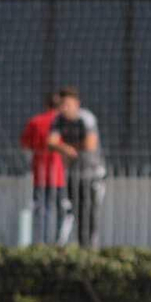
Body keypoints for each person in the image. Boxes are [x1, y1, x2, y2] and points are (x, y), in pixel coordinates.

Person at [49, 88, 105, 248]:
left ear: (76, 104)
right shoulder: (58, 119)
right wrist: (66, 149)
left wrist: (66, 147)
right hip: (73, 173)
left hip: (93, 173)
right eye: (61, 105)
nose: (64, 108)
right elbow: (51, 142)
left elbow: (90, 145)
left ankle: (91, 248)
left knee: (90, 211)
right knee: (77, 212)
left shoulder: (85, 118)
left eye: (67, 104)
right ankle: (83, 246)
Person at [20, 92, 67, 245]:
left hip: (40, 174)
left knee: (42, 210)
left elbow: (25, 145)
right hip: (59, 174)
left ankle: (42, 241)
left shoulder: (35, 122)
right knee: (63, 210)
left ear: (46, 105)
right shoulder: (64, 122)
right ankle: (59, 241)